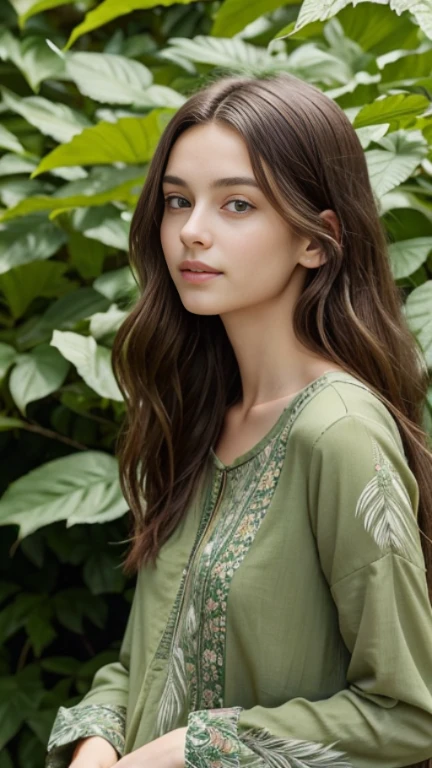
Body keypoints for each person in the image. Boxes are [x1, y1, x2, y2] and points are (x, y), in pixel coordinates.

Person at [45, 73, 432, 768]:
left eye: (237, 204)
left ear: (317, 240)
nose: (192, 231)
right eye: (176, 201)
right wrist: (98, 741)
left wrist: (193, 750)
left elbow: (410, 715)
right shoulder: (195, 414)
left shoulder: (340, 433)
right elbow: (146, 655)